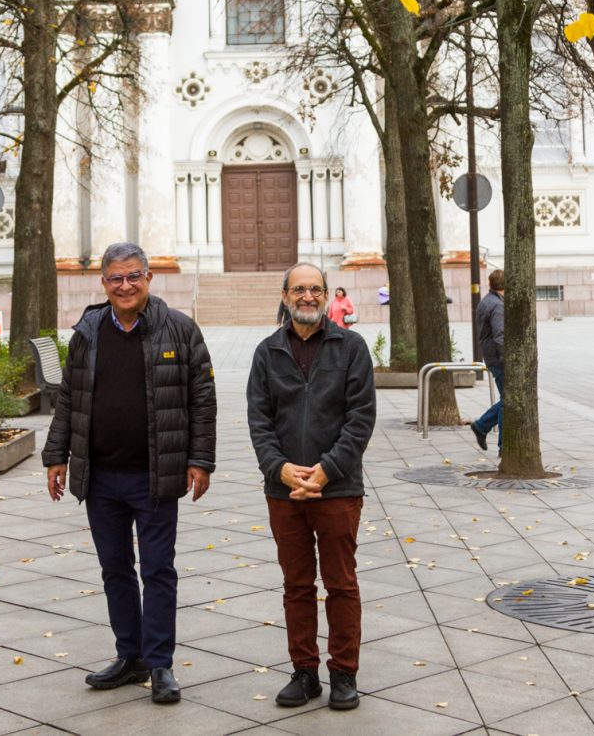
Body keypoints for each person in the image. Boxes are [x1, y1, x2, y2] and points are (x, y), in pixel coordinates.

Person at [42, 242, 216, 706]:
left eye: (133, 276)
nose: (125, 285)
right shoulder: (88, 332)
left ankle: (159, 665)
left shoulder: (179, 330)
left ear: (149, 278)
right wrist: (55, 456)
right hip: (101, 477)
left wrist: (200, 460)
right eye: (115, 278)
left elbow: (202, 401)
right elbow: (69, 399)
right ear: (103, 283)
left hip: (155, 475)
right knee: (115, 570)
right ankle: (130, 656)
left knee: (158, 570)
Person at [247, 262, 376, 712]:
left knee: (341, 584)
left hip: (337, 489)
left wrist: (326, 471)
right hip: (283, 491)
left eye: (315, 289)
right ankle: (304, 673)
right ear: (284, 297)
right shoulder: (267, 352)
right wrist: (278, 468)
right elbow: (259, 420)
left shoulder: (352, 347)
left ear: (326, 296)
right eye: (298, 289)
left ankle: (344, 673)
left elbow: (360, 418)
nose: (307, 297)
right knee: (296, 585)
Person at [471, 268, 504, 453]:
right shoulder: (498, 306)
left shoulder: (486, 301)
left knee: (507, 399)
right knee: (508, 401)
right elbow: (500, 336)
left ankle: (481, 426)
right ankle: (501, 443)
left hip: (490, 355)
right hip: (498, 358)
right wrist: (506, 359)